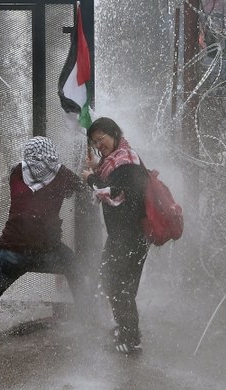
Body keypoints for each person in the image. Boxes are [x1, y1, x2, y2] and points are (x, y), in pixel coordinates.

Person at [0, 136, 89, 346]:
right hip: (48, 249)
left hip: (13, 249)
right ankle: (87, 315)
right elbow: (80, 189)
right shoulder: (62, 173)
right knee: (75, 268)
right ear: (51, 152)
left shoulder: (17, 171)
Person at [80, 117, 150, 355]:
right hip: (124, 234)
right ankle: (126, 329)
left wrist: (90, 178)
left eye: (102, 139)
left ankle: (131, 339)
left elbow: (112, 190)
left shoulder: (126, 161)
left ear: (114, 133)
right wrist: (97, 167)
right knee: (114, 281)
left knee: (120, 285)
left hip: (131, 235)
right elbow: (112, 180)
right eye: (95, 142)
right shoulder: (116, 161)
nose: (100, 145)